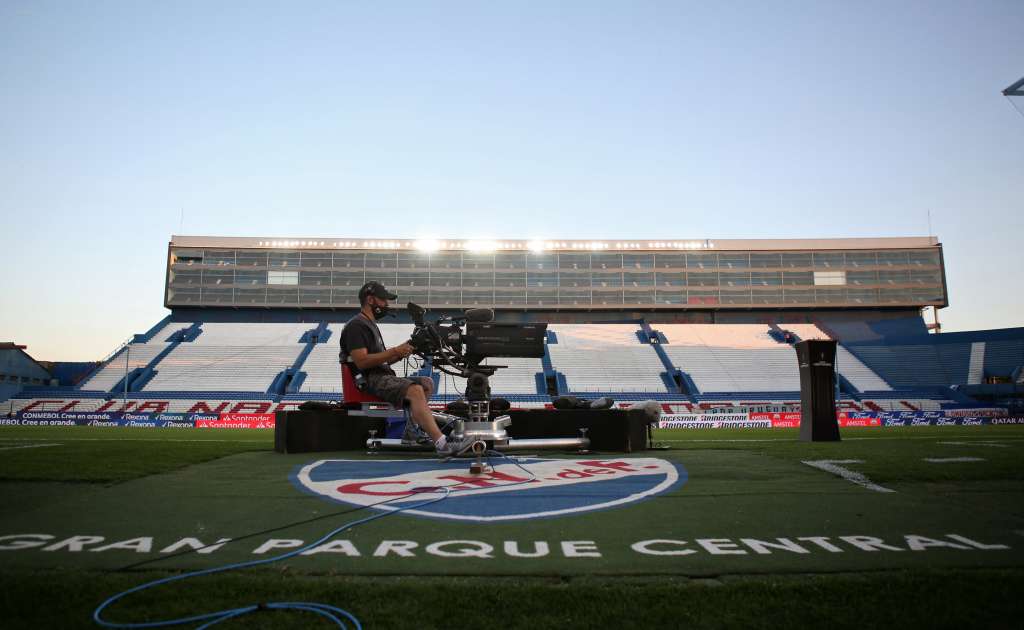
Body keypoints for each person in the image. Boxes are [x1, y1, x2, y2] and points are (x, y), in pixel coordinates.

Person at [339, 281, 469, 456]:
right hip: (369, 379)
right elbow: (362, 362)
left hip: (379, 375)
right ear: (370, 300)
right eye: (383, 300)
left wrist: (405, 350)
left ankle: (412, 433)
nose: (386, 304)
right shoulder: (356, 326)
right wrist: (395, 351)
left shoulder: (369, 325)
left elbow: (381, 361)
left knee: (427, 383)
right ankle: (443, 444)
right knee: (415, 390)